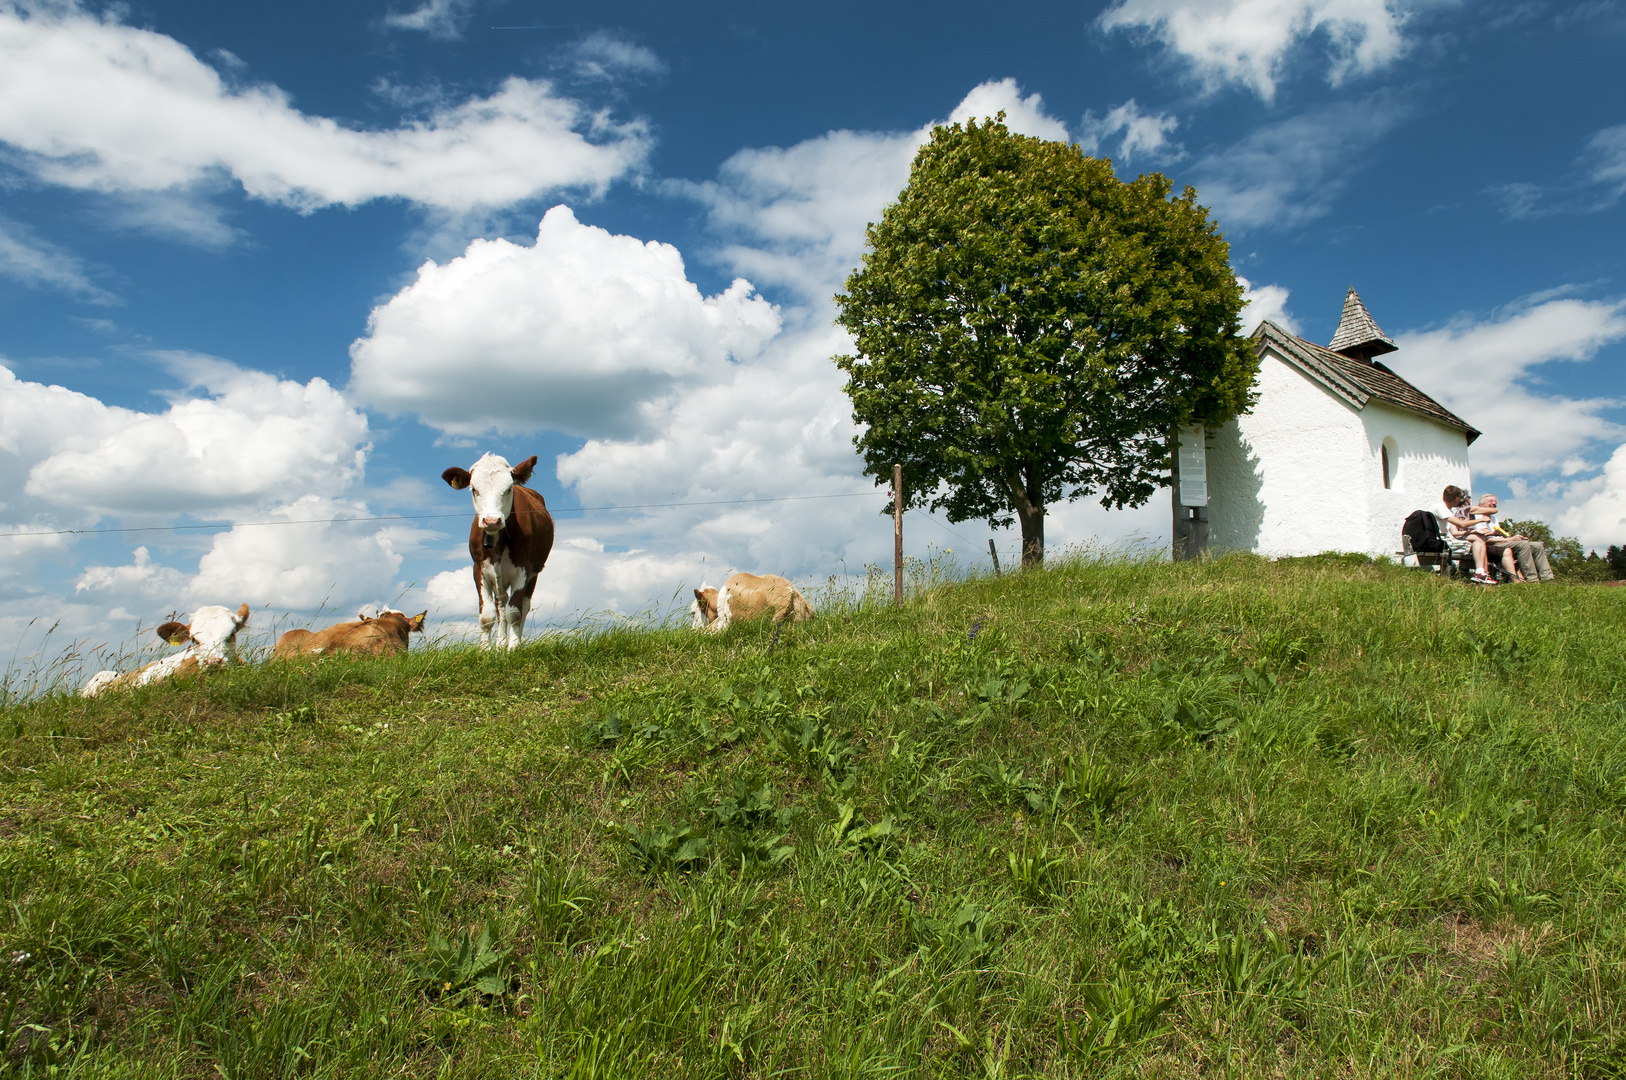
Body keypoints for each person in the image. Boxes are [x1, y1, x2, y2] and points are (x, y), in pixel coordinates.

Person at [1476, 493, 1556, 583]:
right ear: (1481, 505)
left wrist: (1514, 538)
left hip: (1501, 541)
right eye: (1490, 501)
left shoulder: (1493, 518)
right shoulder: (1477, 517)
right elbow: (1484, 538)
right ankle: (1532, 579)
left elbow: (1498, 535)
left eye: (1495, 502)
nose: (1493, 503)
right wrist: (1509, 540)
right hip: (1491, 544)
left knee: (1537, 545)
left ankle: (1547, 578)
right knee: (1523, 545)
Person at [1433, 485, 1497, 585]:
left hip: (1444, 538)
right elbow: (1461, 524)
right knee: (1477, 539)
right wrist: (1481, 519)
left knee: (1479, 538)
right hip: (1440, 541)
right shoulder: (1441, 508)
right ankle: (1480, 573)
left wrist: (1474, 532)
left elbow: (1454, 531)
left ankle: (1482, 572)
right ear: (1457, 499)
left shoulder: (1447, 509)